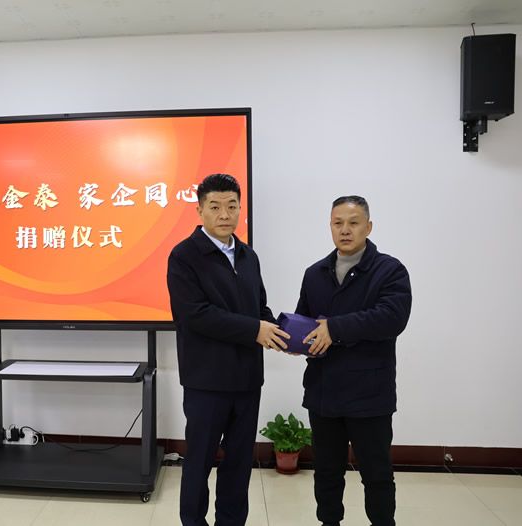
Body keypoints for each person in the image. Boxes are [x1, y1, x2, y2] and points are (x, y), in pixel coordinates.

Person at [167, 173, 289, 526]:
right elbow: (195, 315)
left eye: (232, 206)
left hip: (247, 379)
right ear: (200, 210)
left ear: (240, 209)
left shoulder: (248, 256)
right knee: (199, 462)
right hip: (206, 381)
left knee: (238, 464)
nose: (224, 214)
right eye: (215, 206)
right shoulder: (184, 256)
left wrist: (281, 334)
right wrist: (255, 330)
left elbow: (258, 307)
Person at [296, 196, 412, 526]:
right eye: (338, 223)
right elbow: (306, 320)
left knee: (376, 475)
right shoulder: (314, 273)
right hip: (323, 393)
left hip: (369, 395)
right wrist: (295, 340)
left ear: (368, 227)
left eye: (353, 222)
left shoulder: (389, 270)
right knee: (326, 473)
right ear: (330, 226)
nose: (345, 230)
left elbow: (391, 318)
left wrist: (334, 328)